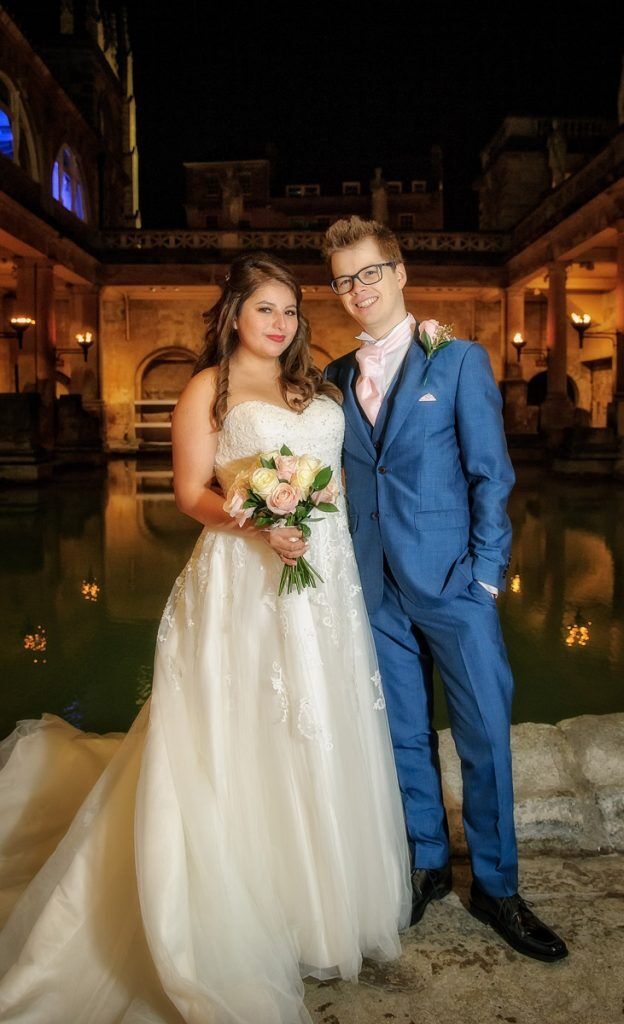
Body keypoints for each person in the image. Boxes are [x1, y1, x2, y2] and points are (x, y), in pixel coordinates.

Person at [0, 252, 411, 1023]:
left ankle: (319, 903)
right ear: (234, 315)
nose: (281, 324)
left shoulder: (314, 385)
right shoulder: (207, 389)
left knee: (321, 723)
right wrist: (261, 519)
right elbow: (192, 493)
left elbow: (337, 472)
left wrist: (316, 518)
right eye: (266, 310)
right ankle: (242, 907)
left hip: (326, 580)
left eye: (290, 311)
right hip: (243, 578)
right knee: (248, 728)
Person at [323, 216, 568, 962]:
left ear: (400, 274)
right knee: (402, 734)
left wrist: (487, 578)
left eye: (370, 273)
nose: (359, 289)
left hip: (455, 584)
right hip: (376, 589)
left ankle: (497, 887)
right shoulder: (335, 377)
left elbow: (492, 476)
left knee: (486, 739)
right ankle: (428, 863)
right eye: (343, 280)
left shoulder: (457, 361)